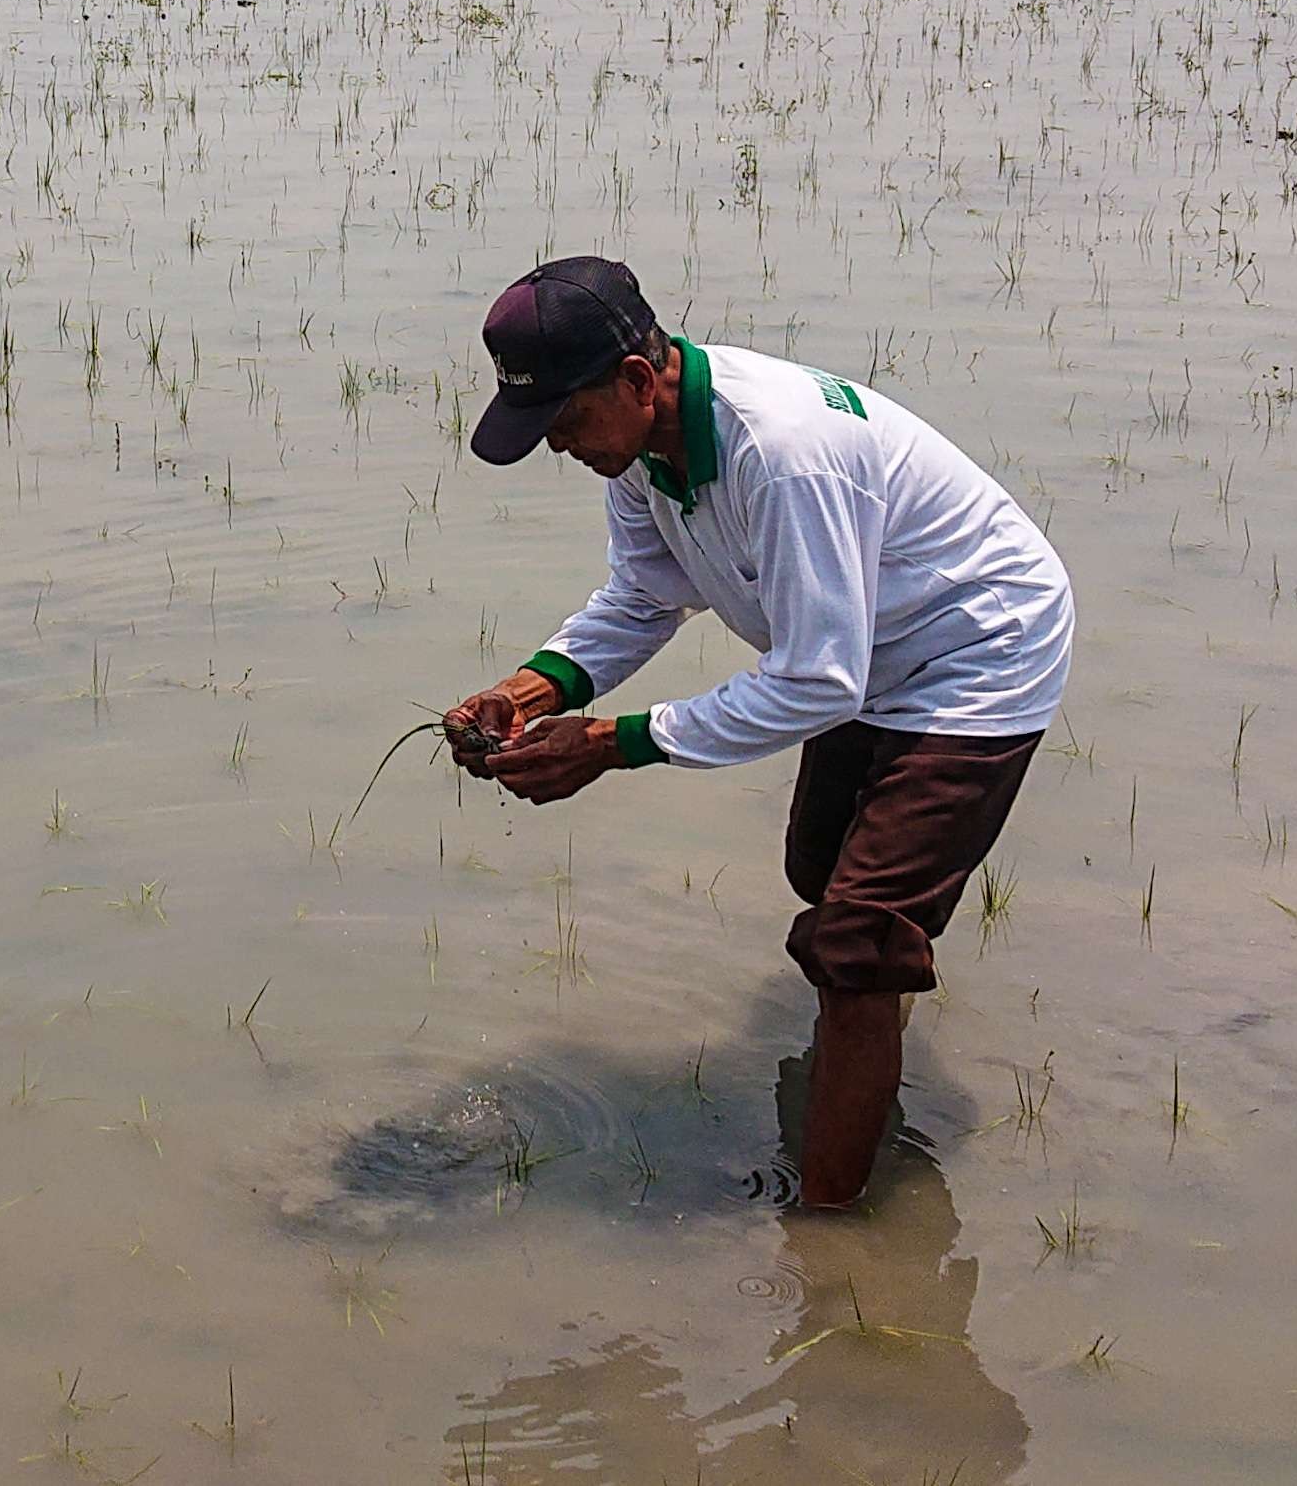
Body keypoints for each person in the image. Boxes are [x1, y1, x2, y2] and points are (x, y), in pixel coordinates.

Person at [445, 256, 1074, 1209]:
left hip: (975, 649)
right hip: (865, 643)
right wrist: (531, 692)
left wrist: (610, 743)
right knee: (819, 871)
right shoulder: (640, 450)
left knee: (856, 935)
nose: (559, 447)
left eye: (564, 422)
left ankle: (829, 1234)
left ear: (635, 379)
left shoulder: (781, 453)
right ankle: (866, 1051)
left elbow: (818, 680)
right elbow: (646, 595)